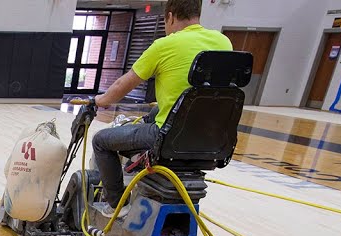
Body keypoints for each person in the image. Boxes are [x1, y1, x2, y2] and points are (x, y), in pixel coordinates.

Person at [86, 0, 232, 216]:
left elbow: (121, 86)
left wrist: (99, 100)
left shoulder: (164, 45)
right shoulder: (223, 42)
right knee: (155, 113)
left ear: (170, 17)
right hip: (210, 139)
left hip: (168, 137)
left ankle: (116, 205)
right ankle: (137, 171)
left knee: (101, 141)